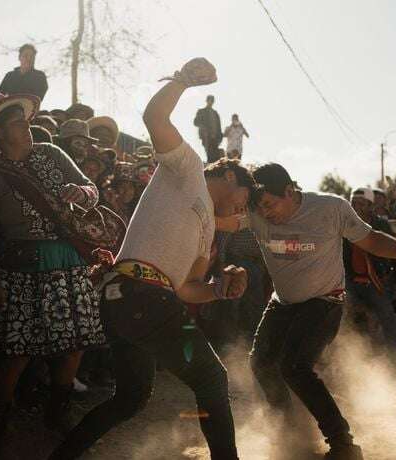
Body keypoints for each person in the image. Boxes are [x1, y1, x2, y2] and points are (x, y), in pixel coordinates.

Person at [50, 58, 252, 460]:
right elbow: (154, 115)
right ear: (231, 177)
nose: (245, 212)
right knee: (211, 379)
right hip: (137, 295)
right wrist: (182, 80)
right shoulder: (189, 169)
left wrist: (219, 289)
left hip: (137, 301)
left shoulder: (207, 230)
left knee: (130, 399)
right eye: (246, 200)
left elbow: (186, 289)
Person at [243, 163, 396, 460]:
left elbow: (371, 239)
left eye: (270, 205)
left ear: (289, 191)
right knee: (261, 363)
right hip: (282, 303)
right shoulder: (255, 215)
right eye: (259, 208)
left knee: (295, 367)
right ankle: (291, 431)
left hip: (324, 302)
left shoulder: (330, 208)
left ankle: (343, 444)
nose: (266, 214)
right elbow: (217, 218)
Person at [0, 92, 105, 454]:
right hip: (23, 272)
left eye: (25, 121)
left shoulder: (52, 154)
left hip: (69, 263)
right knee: (18, 353)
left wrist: (82, 192)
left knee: (73, 346)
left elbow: (93, 192)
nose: (26, 127)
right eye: (16, 123)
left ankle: (56, 412)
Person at [344, 188, 396, 349]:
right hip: (350, 280)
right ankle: (340, 353)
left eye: (361, 203)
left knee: (386, 313)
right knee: (340, 310)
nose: (357, 207)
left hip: (376, 280)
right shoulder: (344, 225)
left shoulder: (380, 225)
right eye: (354, 203)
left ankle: (395, 355)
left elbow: (394, 254)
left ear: (370, 206)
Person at [194, 94, 222, 163]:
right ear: (207, 101)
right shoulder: (201, 111)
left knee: (216, 157)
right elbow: (195, 122)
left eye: (212, 100)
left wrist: (220, 137)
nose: (211, 102)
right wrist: (204, 128)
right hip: (206, 137)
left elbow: (219, 127)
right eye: (210, 100)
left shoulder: (215, 113)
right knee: (210, 155)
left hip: (215, 138)